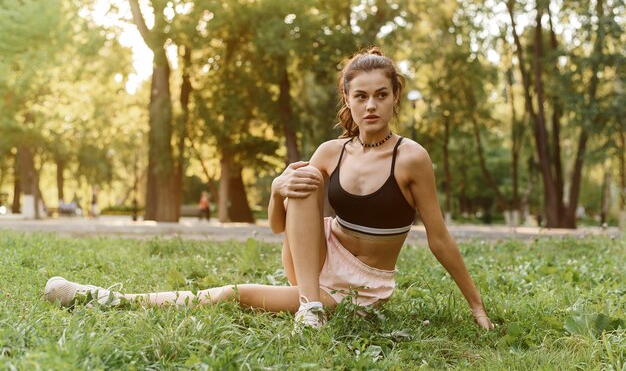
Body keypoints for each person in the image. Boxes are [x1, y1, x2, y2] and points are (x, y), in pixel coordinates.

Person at [44, 47, 494, 332]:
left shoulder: (410, 157)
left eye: (381, 94)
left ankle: (106, 298)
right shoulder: (329, 152)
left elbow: (438, 235)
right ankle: (310, 307)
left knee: (230, 293)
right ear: (348, 99)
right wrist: (278, 188)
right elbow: (279, 226)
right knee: (301, 177)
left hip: (360, 288)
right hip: (315, 269)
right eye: (361, 96)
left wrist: (476, 307)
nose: (371, 105)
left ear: (396, 96)